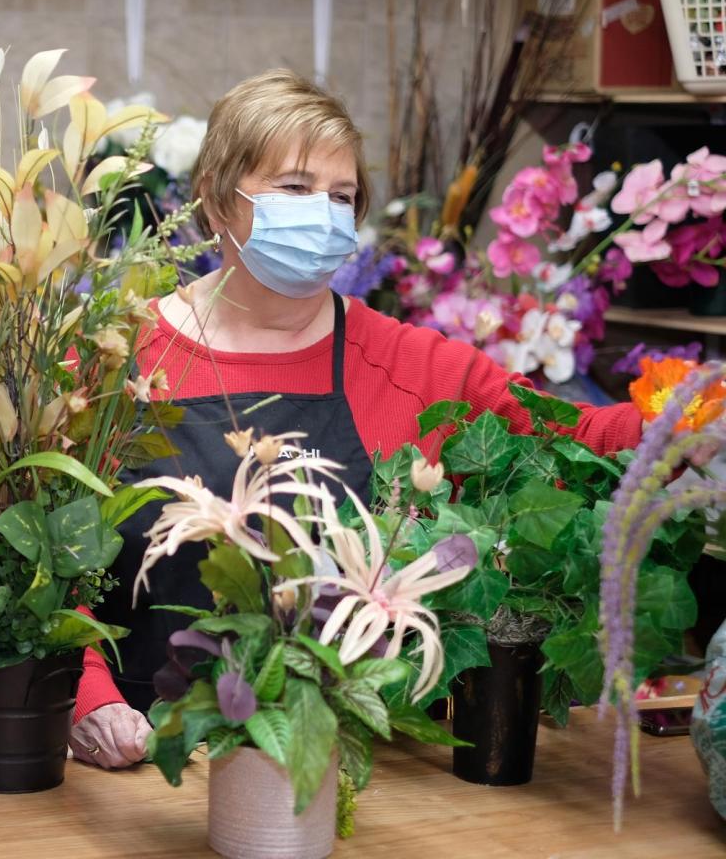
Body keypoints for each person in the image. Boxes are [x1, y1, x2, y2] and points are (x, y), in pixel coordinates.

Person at [69, 69, 644, 770]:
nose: (322, 213)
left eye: (341, 197)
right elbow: (46, 563)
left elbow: (578, 441)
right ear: (218, 199)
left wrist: (692, 417)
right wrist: (89, 700)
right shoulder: (113, 357)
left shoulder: (413, 366)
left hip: (355, 766)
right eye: (294, 187)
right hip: (145, 760)